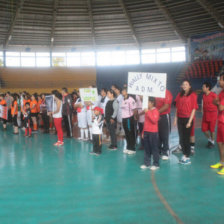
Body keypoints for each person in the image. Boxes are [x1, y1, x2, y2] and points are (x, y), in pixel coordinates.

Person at [174, 80, 198, 165]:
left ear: (190, 86)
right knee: (181, 138)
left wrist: (190, 121)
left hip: (188, 119)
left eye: (186, 84)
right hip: (180, 118)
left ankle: (187, 157)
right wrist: (175, 119)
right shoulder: (179, 95)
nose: (184, 85)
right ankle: (184, 155)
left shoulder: (193, 95)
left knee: (186, 138)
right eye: (183, 84)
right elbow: (177, 107)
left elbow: (194, 109)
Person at [140, 97, 160, 170]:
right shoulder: (147, 111)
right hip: (146, 132)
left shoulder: (156, 111)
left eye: (148, 102)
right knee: (147, 148)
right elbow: (146, 122)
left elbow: (154, 121)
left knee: (154, 148)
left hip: (153, 132)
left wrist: (147, 112)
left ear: (152, 103)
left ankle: (156, 164)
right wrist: (143, 132)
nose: (147, 104)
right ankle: (147, 163)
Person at [210, 73, 224, 175]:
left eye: (221, 80)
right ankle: (222, 162)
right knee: (219, 143)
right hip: (220, 121)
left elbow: (220, 107)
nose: (219, 82)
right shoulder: (222, 92)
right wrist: (218, 102)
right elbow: (214, 102)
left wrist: (218, 103)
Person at [156, 89, 173, 160]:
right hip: (156, 116)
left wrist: (156, 112)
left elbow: (166, 106)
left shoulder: (167, 92)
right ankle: (158, 150)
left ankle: (165, 151)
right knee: (157, 134)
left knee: (165, 135)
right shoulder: (155, 92)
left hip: (164, 116)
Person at [201, 81, 218, 148]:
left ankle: (212, 142)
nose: (202, 88)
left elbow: (218, 103)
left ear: (208, 88)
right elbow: (204, 104)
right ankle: (210, 139)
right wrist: (202, 111)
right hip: (205, 114)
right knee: (204, 129)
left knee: (211, 130)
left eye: (203, 87)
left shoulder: (213, 95)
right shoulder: (204, 95)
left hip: (213, 114)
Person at [121, 87, 137, 155]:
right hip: (124, 118)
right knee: (126, 133)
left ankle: (132, 148)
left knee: (130, 133)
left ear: (127, 92)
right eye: (122, 91)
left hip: (129, 119)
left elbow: (135, 110)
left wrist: (134, 117)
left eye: (124, 91)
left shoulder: (131, 99)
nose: (122, 92)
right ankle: (128, 147)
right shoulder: (123, 99)